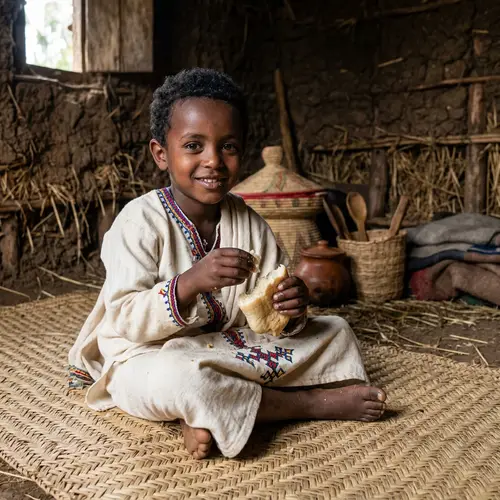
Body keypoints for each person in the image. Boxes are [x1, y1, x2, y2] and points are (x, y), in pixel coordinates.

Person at [68, 68, 386, 460]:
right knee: (181, 379)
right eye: (194, 146)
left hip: (222, 349)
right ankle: (308, 403)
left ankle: (214, 409)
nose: (213, 161)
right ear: (161, 153)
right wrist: (189, 282)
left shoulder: (249, 222)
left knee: (334, 330)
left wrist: (292, 307)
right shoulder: (138, 222)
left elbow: (269, 314)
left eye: (229, 147)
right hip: (146, 356)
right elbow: (124, 318)